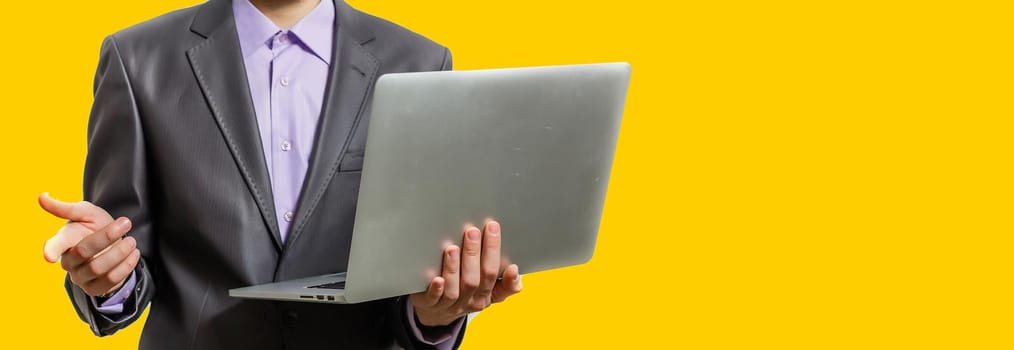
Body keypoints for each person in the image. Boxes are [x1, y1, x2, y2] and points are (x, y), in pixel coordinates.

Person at [38, 0, 522, 349]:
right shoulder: (136, 59)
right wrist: (108, 277)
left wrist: (434, 315)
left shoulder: (421, 63)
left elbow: (419, 267)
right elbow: (121, 257)